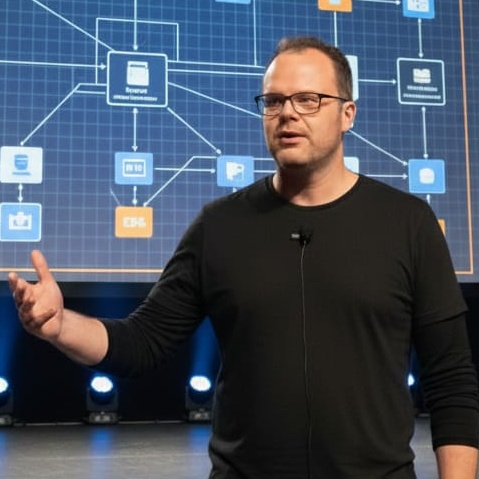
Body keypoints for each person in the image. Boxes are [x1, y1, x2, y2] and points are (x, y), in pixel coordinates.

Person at [9, 36, 479, 479]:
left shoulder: (407, 223)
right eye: (273, 101)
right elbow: (142, 343)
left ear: (347, 114)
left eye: (308, 99)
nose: (287, 113)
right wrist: (59, 325)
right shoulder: (219, 226)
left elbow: (451, 379)